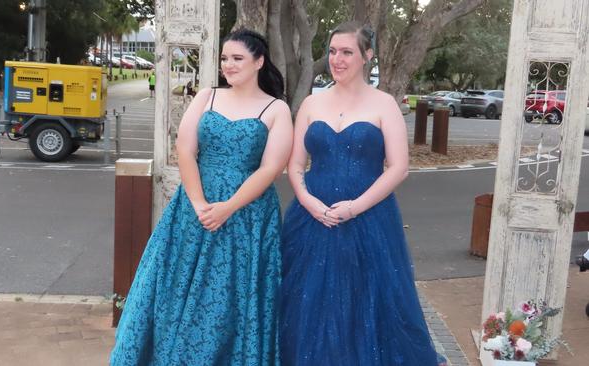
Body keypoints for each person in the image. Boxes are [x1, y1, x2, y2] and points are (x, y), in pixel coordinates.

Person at [110, 28, 293, 366]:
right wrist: (198, 203)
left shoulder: (276, 109)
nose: (229, 65)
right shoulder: (207, 95)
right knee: (176, 287)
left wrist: (228, 208)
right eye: (225, 58)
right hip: (194, 208)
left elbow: (270, 169)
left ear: (259, 61)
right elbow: (185, 148)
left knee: (230, 296)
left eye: (237, 58)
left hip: (247, 215)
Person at [279, 21, 447, 366]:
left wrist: (354, 208)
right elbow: (295, 166)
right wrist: (309, 202)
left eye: (347, 52)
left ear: (367, 56)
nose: (336, 59)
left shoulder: (385, 104)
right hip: (313, 218)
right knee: (310, 301)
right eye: (332, 52)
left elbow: (399, 167)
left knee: (368, 299)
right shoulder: (312, 103)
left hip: (369, 217)